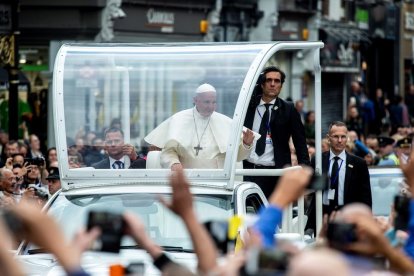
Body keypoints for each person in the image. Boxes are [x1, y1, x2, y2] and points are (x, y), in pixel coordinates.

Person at [144, 83, 255, 170]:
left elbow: (237, 157)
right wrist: (174, 163)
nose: (211, 106)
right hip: (186, 178)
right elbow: (168, 151)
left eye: (214, 102)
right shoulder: (179, 119)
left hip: (218, 181)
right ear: (196, 100)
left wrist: (246, 145)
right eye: (207, 102)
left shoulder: (225, 122)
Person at [243, 66, 310, 198]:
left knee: (276, 213)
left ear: (281, 85)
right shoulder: (249, 106)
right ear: (262, 84)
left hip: (276, 172)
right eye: (269, 80)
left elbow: (300, 141)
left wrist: (305, 169)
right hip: (249, 170)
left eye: (277, 81)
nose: (273, 84)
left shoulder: (289, 108)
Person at [319, 121, 372, 215]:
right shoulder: (318, 160)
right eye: (335, 136)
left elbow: (365, 196)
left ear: (347, 138)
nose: (339, 140)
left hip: (348, 216)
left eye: (343, 137)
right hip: (322, 215)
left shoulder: (359, 164)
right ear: (328, 138)